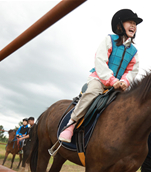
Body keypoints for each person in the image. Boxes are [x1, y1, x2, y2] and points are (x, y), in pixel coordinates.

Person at [59, 9, 143, 143]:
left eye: (135, 24)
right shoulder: (109, 39)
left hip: (118, 85)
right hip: (99, 78)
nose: (133, 25)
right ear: (119, 25)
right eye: (130, 22)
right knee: (92, 92)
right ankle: (71, 123)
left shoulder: (134, 51)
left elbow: (132, 70)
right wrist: (112, 80)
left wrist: (124, 82)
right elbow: (100, 61)